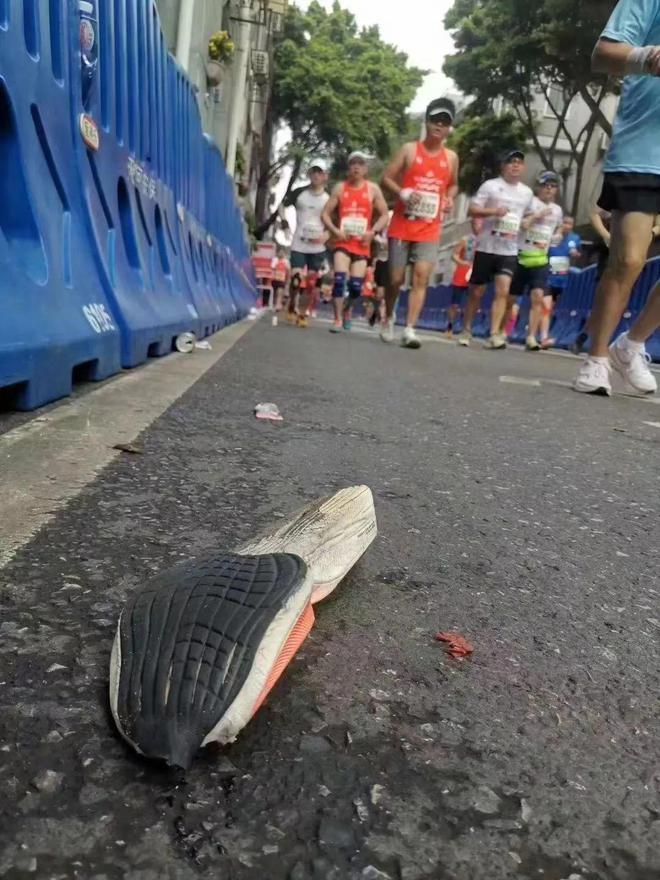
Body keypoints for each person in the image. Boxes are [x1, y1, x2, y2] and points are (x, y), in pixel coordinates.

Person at [574, 0, 660, 396]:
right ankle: (597, 357)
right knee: (627, 259)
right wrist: (647, 56)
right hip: (645, 148)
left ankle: (632, 344)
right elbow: (603, 53)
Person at [381, 98, 459, 349]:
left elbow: (454, 184)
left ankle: (410, 329)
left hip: (429, 227)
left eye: (444, 122)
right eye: (435, 119)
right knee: (394, 279)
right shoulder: (409, 150)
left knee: (421, 277)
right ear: (426, 122)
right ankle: (389, 315)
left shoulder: (451, 158)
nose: (439, 125)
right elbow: (386, 178)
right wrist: (403, 193)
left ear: (449, 129)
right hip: (403, 225)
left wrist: (449, 198)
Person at [458, 149, 535, 349]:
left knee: (503, 290)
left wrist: (527, 222)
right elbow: (472, 209)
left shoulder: (526, 193)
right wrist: (494, 211)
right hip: (486, 246)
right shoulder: (491, 186)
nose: (515, 165)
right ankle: (467, 329)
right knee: (477, 292)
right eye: (511, 162)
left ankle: (493, 334)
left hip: (509, 249)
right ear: (503, 166)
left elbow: (529, 215)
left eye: (519, 162)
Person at [321, 151, 389, 333]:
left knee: (356, 287)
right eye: (353, 163)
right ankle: (336, 319)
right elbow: (325, 213)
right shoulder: (340, 188)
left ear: (366, 169)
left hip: (361, 243)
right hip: (343, 242)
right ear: (348, 168)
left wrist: (372, 232)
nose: (356, 167)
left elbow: (384, 214)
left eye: (360, 164)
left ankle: (347, 310)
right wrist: (335, 231)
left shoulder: (372, 189)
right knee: (339, 280)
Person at [509, 170, 564, 351]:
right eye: (545, 185)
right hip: (521, 255)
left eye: (553, 186)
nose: (549, 189)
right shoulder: (530, 203)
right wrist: (537, 216)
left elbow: (558, 230)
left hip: (540, 259)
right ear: (539, 187)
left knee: (538, 297)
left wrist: (557, 236)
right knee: (511, 297)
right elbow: (521, 225)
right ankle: (501, 331)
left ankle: (531, 337)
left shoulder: (557, 210)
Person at [285, 159, 330, 328]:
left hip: (317, 246)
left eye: (320, 172)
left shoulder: (329, 198)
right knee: (296, 279)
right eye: (314, 171)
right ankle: (291, 305)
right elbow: (282, 206)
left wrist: (327, 234)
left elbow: (336, 220)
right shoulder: (299, 193)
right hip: (299, 243)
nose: (316, 175)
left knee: (311, 283)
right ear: (309, 174)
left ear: (325, 175)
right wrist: (284, 224)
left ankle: (302, 313)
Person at [544, 215, 582, 348]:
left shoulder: (575, 238)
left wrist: (575, 254)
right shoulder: (552, 236)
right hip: (547, 275)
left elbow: (577, 253)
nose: (567, 226)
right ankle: (544, 334)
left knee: (554, 306)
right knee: (547, 305)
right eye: (564, 223)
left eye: (570, 224)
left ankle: (549, 332)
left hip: (562, 277)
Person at [447, 219, 481, 336]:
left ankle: (467, 326)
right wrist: (462, 262)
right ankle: (450, 326)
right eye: (476, 224)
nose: (478, 227)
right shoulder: (465, 240)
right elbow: (454, 255)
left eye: (481, 224)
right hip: (462, 274)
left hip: (477, 273)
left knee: (473, 300)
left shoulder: (486, 242)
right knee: (455, 303)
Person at [272, 250, 291, 316]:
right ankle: (277, 304)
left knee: (279, 292)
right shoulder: (274, 260)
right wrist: (272, 277)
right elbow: (273, 269)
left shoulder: (286, 261)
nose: (281, 254)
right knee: (275, 293)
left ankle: (278, 305)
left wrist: (288, 280)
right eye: (279, 252)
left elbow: (288, 271)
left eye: (282, 253)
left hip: (282, 280)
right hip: (275, 279)